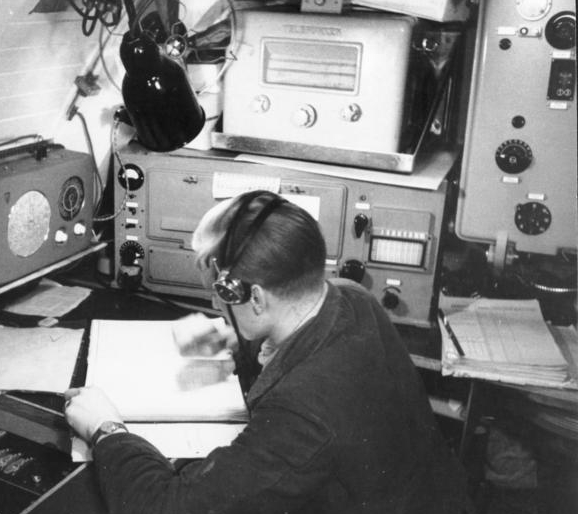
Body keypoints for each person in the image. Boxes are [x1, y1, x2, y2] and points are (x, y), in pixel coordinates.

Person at [64, 190, 467, 514]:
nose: (215, 306)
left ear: (255, 298)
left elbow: (165, 507)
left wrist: (107, 430)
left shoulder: (301, 413)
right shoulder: (352, 295)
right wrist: (241, 344)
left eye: (219, 297)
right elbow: (314, 344)